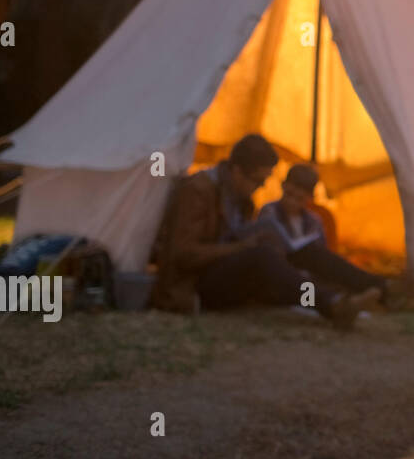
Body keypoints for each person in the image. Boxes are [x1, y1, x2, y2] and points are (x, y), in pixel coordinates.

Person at [152, 134, 379, 329]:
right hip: (196, 284)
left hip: (229, 270)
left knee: (305, 251)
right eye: (258, 181)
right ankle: (331, 305)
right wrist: (241, 247)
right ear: (237, 171)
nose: (260, 188)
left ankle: (380, 289)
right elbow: (183, 254)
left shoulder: (240, 197)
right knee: (261, 256)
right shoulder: (198, 191)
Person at [257, 163, 392, 305]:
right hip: (285, 277)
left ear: (309, 198)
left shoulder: (314, 220)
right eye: (289, 195)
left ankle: (381, 290)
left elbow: (324, 260)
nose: (291, 202)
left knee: (327, 267)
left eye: (299, 199)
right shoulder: (269, 211)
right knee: (310, 277)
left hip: (310, 279)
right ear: (283, 186)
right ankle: (349, 300)